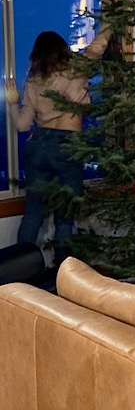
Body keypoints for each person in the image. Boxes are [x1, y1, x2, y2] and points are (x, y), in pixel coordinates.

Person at [5, 25, 110, 266]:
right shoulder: (75, 70)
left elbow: (22, 125)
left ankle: (18, 271)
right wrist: (114, 19)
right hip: (67, 145)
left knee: (33, 213)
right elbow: (99, 46)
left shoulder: (33, 81)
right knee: (65, 217)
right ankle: (63, 274)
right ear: (62, 50)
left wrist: (12, 103)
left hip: (38, 145)